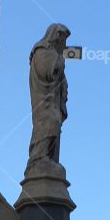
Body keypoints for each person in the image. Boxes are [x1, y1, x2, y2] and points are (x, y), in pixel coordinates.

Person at [28, 23, 70, 167]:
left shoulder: (53, 53)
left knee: (55, 124)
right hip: (44, 100)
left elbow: (59, 78)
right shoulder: (42, 51)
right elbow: (48, 72)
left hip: (53, 100)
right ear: (57, 36)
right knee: (49, 123)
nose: (65, 44)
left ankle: (48, 158)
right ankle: (38, 158)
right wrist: (60, 59)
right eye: (64, 40)